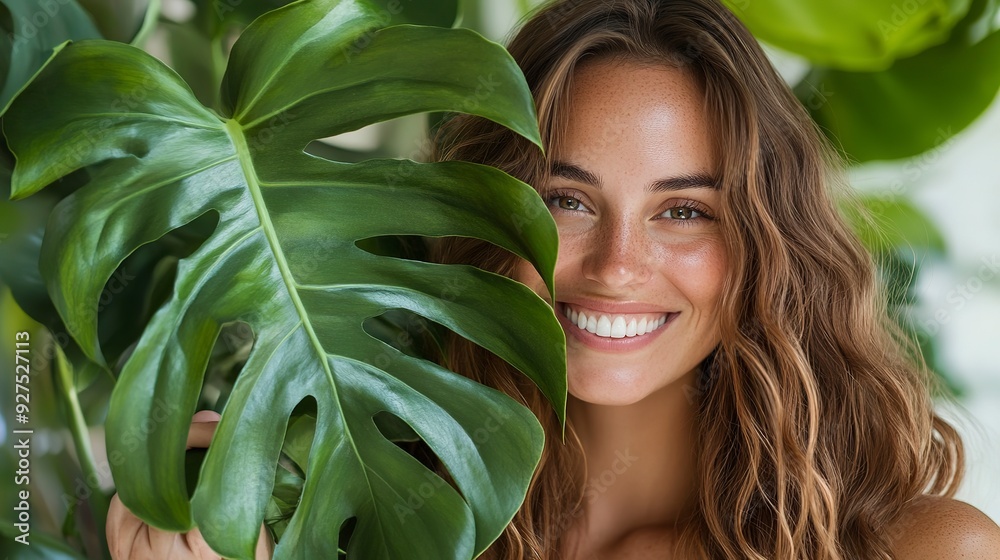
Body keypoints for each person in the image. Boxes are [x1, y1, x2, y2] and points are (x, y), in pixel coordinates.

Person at [107, 0, 1000, 558]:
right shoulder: (381, 530)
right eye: (566, 201)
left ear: (769, 247)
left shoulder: (915, 551)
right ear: (483, 216)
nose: (617, 265)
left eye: (684, 211)